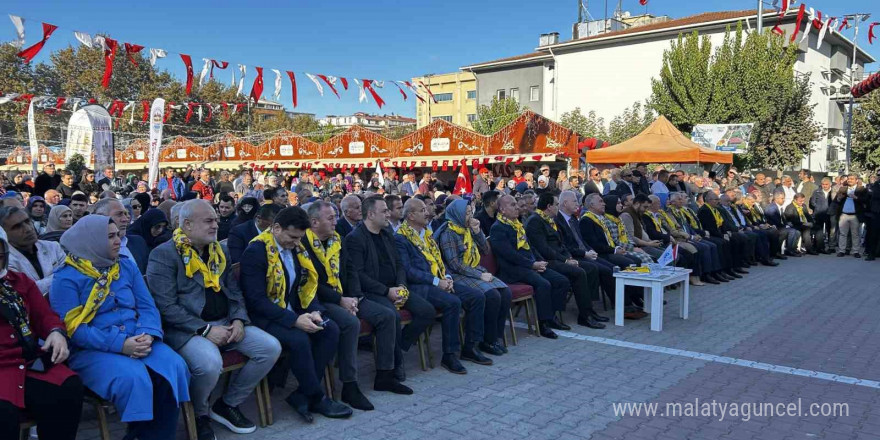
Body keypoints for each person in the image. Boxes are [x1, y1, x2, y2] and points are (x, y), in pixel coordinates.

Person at [148, 200, 281, 439]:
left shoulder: (219, 250)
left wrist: (239, 319)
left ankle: (227, 403)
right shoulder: (164, 254)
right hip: (188, 329)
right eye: (209, 221)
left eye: (216, 221)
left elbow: (234, 291)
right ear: (187, 224)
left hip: (226, 321)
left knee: (270, 348)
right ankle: (200, 414)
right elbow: (166, 306)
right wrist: (205, 330)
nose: (215, 225)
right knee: (209, 364)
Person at [51, 216, 190, 440]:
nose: (118, 240)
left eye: (118, 234)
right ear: (91, 240)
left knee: (172, 366)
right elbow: (73, 329)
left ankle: (150, 436)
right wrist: (120, 345)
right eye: (110, 236)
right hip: (93, 350)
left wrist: (148, 334)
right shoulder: (66, 277)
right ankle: (142, 435)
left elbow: (147, 306)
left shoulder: (124, 265)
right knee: (134, 377)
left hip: (138, 337)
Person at [239, 207, 352, 423]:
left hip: (292, 309)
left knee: (330, 329)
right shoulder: (256, 251)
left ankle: (302, 393)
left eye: (299, 238)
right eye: (292, 237)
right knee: (299, 339)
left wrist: (315, 311)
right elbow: (256, 301)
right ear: (276, 228)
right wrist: (294, 320)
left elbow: (306, 285)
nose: (296, 242)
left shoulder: (296, 248)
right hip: (264, 317)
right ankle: (316, 396)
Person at [303, 201, 409, 409]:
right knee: (351, 323)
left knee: (387, 316)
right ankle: (350, 386)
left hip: (349, 296)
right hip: (321, 300)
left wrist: (355, 297)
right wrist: (341, 300)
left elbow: (351, 271)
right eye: (331, 218)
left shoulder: (337, 239)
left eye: (335, 216)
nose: (336, 221)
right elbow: (311, 284)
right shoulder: (303, 245)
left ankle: (385, 375)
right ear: (314, 222)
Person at [0, 228, 83, 440]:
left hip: (26, 362)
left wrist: (56, 332)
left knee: (67, 388)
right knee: (4, 414)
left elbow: (45, 316)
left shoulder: (18, 282)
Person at [343, 196, 433, 381]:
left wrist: (401, 286)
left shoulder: (387, 234)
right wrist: (387, 291)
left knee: (426, 311)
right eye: (384, 211)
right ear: (370, 214)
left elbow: (400, 265)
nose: (389, 214)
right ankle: (394, 365)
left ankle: (398, 346)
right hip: (373, 292)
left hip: (395, 287)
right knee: (391, 315)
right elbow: (359, 275)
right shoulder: (355, 238)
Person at [396, 198, 490, 373]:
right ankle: (450, 354)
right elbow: (408, 271)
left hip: (438, 281)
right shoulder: (400, 237)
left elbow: (440, 261)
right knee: (452, 303)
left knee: (477, 296)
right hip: (418, 286)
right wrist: (437, 282)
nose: (427, 212)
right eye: (422, 210)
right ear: (411, 216)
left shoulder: (426, 233)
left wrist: (446, 277)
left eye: (426, 209)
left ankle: (471, 346)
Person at [435, 199, 511, 355]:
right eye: (467, 213)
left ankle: (493, 338)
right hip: (457, 275)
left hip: (473, 270)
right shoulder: (448, 233)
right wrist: (479, 275)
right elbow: (454, 264)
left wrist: (478, 232)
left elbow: (485, 250)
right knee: (492, 295)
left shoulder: (467, 229)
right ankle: (484, 341)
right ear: (457, 214)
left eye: (471, 212)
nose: (470, 216)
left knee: (506, 292)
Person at [488, 195, 570, 339]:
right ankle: (543, 323)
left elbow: (530, 247)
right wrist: (532, 264)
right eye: (513, 205)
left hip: (529, 265)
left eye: (516, 204)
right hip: (513, 269)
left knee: (561, 281)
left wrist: (540, 261)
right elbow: (509, 254)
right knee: (543, 284)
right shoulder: (498, 228)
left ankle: (551, 316)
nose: (517, 207)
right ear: (502, 210)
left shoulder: (517, 224)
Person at [525, 193, 608, 328]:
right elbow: (544, 249)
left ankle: (588, 310)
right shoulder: (535, 221)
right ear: (549, 206)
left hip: (560, 257)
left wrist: (569, 257)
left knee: (591, 268)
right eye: (556, 204)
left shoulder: (549, 219)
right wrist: (565, 261)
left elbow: (561, 244)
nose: (558, 207)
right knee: (579, 272)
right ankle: (583, 316)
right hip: (548, 260)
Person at [0, 206, 66, 296]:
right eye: (17, 227)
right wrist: (62, 277)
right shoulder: (4, 261)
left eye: (27, 221)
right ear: (4, 233)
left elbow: (70, 274)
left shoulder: (53, 246)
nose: (28, 229)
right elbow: (26, 292)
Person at [93, 198, 151, 274]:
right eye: (119, 214)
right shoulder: (91, 250)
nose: (125, 219)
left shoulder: (138, 242)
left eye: (126, 214)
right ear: (101, 217)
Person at [764, 191, 802, 257]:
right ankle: (788, 250)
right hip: (774, 227)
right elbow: (775, 221)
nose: (784, 200)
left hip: (780, 226)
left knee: (797, 232)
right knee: (791, 231)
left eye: (784, 198)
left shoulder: (778, 207)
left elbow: (782, 219)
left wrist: (787, 224)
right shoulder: (772, 208)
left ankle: (792, 249)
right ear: (776, 199)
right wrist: (785, 226)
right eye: (782, 198)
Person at [835, 175, 865, 258]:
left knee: (855, 234)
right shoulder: (843, 189)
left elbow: (865, 200)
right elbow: (836, 201)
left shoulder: (861, 189)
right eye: (848, 179)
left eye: (852, 179)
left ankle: (855, 251)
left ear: (856, 180)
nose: (849, 180)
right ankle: (842, 250)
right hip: (844, 214)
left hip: (855, 215)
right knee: (842, 234)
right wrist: (839, 198)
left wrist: (856, 197)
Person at [809, 177, 836, 254]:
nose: (825, 186)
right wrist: (818, 207)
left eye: (826, 184)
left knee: (830, 231)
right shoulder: (817, 192)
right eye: (823, 184)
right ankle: (817, 246)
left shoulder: (833, 192)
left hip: (830, 214)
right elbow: (812, 202)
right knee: (818, 231)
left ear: (830, 184)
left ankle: (831, 247)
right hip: (819, 214)